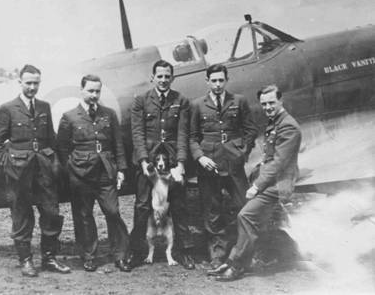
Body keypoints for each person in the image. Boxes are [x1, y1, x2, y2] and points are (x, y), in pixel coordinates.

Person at [215, 84, 302, 281]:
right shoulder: (276, 122)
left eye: (272, 102)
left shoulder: (287, 126)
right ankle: (234, 261)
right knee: (250, 217)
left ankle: (237, 265)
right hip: (270, 182)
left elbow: (278, 163)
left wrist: (256, 186)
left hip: (279, 184)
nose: (268, 107)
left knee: (245, 216)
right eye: (264, 104)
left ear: (281, 101)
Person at [0, 64, 70, 277]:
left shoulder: (44, 107)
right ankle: (26, 260)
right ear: (20, 83)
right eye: (29, 83)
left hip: (44, 169)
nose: (32, 87)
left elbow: (51, 138)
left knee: (51, 213)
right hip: (19, 171)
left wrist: (55, 162)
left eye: (36, 83)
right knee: (22, 214)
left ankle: (49, 259)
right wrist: (9, 163)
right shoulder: (8, 108)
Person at [56, 74, 132, 273]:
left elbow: (118, 144)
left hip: (106, 172)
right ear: (81, 91)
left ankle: (121, 255)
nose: (94, 95)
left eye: (97, 91)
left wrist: (121, 170)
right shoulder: (69, 116)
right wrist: (71, 169)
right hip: (80, 174)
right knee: (84, 216)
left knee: (113, 212)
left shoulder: (109, 114)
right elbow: (62, 148)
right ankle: (89, 256)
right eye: (90, 91)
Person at [190, 63, 258, 272]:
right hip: (209, 165)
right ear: (207, 81)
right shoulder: (197, 105)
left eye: (221, 80)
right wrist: (200, 157)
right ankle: (217, 256)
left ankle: (246, 253)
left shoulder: (239, 101)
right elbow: (192, 137)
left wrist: (242, 152)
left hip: (233, 163)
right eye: (214, 80)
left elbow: (250, 129)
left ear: (226, 80)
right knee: (212, 211)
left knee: (243, 206)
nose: (218, 84)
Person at [128, 59, 195, 270]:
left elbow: (183, 134)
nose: (164, 80)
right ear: (153, 77)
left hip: (172, 162)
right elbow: (137, 133)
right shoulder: (141, 100)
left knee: (179, 206)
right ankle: (136, 252)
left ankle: (182, 252)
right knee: (141, 205)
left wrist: (182, 163)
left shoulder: (181, 100)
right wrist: (143, 161)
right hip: (148, 161)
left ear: (173, 78)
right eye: (160, 76)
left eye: (167, 76)